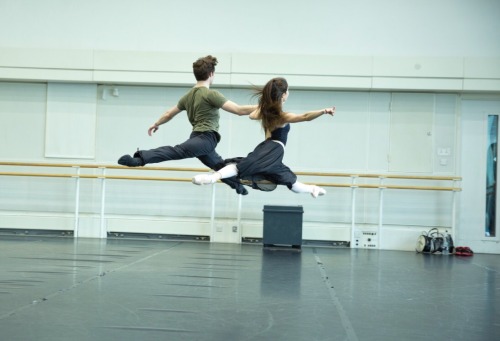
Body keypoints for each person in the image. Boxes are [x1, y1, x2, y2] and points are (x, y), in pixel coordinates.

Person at [118, 55, 257, 195]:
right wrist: (265, 107)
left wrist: (156, 123)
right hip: (206, 139)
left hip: (198, 138)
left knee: (219, 166)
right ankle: (139, 159)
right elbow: (239, 110)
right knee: (176, 151)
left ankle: (238, 186)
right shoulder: (211, 94)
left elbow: (168, 114)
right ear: (211, 74)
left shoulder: (188, 96)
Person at [192, 77, 335, 198]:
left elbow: (252, 115)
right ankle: (212, 178)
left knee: (290, 180)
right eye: (288, 91)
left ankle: (312, 188)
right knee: (241, 167)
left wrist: (264, 105)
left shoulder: (269, 112)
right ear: (284, 95)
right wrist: (323, 111)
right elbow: (305, 117)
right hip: (272, 148)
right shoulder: (281, 116)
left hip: (272, 152)